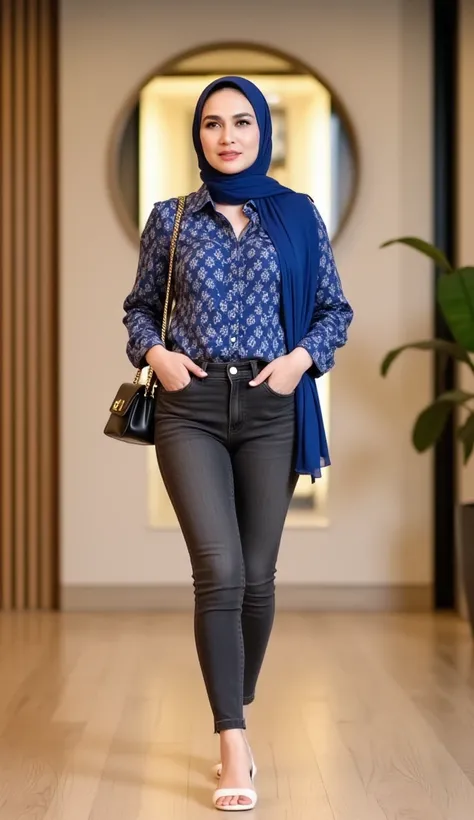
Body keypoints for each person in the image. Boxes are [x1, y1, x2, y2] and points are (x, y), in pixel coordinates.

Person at [123, 75, 353, 812]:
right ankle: (232, 737)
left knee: (257, 577)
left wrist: (298, 363)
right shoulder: (171, 218)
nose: (228, 136)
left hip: (270, 405)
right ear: (197, 135)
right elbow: (137, 311)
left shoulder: (297, 216)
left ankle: (233, 695)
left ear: (262, 133)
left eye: (242, 122)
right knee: (218, 571)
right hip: (187, 406)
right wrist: (154, 354)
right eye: (214, 123)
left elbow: (333, 311)